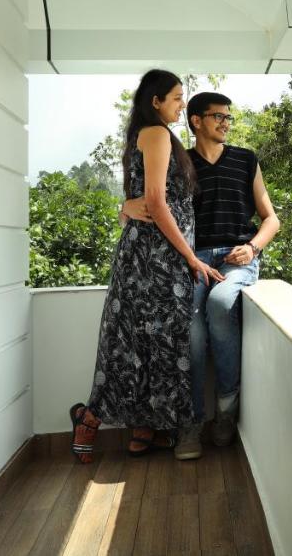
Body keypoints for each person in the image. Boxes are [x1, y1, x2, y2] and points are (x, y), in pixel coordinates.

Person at [68, 70, 220, 464]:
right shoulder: (156, 134)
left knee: (145, 341)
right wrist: (190, 256)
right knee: (144, 342)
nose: (181, 104)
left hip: (150, 256)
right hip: (157, 260)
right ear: (156, 101)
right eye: (176, 97)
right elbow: (154, 201)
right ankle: (89, 418)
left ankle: (142, 427)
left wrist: (126, 209)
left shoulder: (148, 135)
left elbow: (139, 202)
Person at [123, 90, 279, 460]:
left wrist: (252, 247)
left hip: (237, 260)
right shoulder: (180, 163)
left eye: (228, 117)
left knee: (221, 303)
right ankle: (190, 424)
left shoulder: (245, 160)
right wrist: (126, 205)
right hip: (191, 262)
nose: (226, 123)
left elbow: (271, 219)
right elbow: (151, 202)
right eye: (218, 116)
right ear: (196, 121)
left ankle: (226, 412)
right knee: (191, 336)